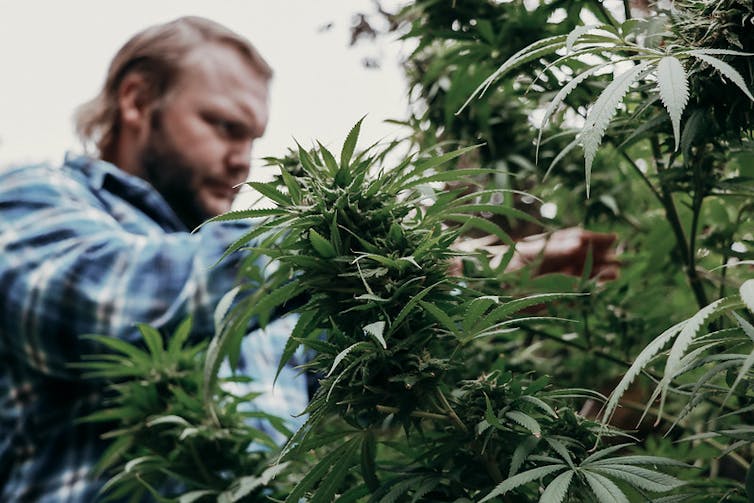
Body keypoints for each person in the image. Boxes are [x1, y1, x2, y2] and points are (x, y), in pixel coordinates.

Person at [0, 17, 308, 502]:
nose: (243, 160)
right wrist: (312, 243)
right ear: (137, 100)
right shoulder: (38, 197)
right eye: (225, 127)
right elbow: (94, 306)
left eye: (253, 138)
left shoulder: (277, 291)